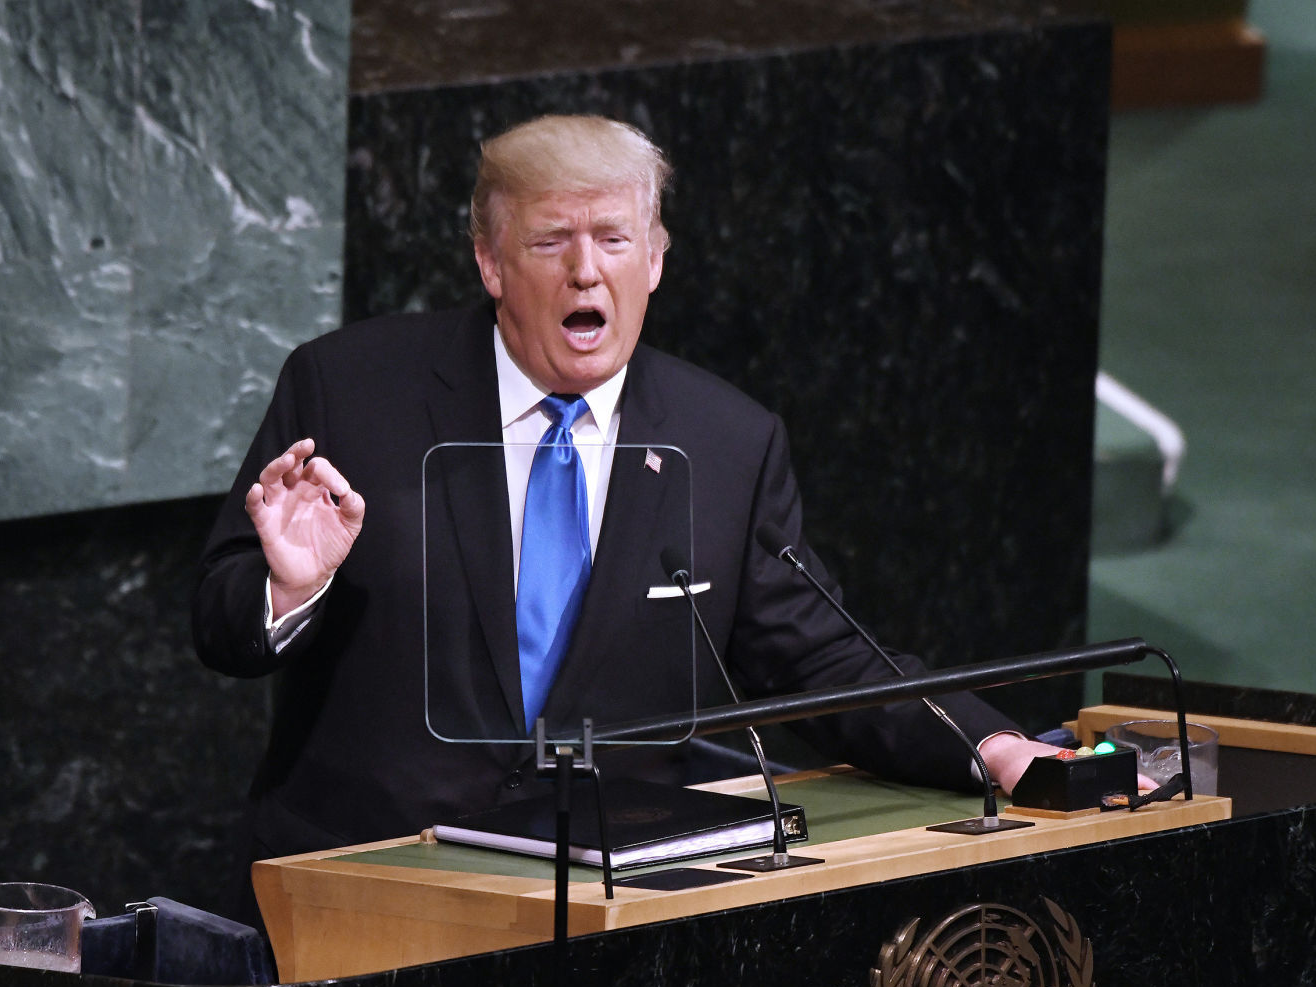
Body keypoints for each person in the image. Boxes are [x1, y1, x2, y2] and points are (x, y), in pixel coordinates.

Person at [193, 114, 1065, 881]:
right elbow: (219, 622)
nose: (585, 273)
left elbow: (822, 662)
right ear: (490, 262)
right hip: (366, 883)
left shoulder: (725, 441)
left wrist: (994, 747)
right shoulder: (350, 390)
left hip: (610, 908)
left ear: (654, 260)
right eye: (549, 242)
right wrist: (290, 589)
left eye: (613, 240)